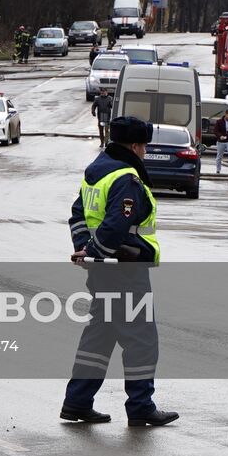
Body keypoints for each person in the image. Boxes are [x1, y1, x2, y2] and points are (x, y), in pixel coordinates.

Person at [62, 116, 178, 427]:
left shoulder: (96, 172)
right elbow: (116, 224)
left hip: (101, 271)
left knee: (99, 337)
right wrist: (97, 251)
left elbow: (77, 213)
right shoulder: (127, 178)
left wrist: (85, 247)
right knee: (141, 339)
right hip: (124, 270)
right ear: (136, 145)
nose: (145, 152)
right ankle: (141, 406)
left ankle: (77, 402)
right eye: (145, 146)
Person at [213, 108, 228, 174]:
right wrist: (220, 136)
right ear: (225, 114)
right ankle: (218, 170)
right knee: (219, 157)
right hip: (221, 142)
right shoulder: (219, 122)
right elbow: (215, 131)